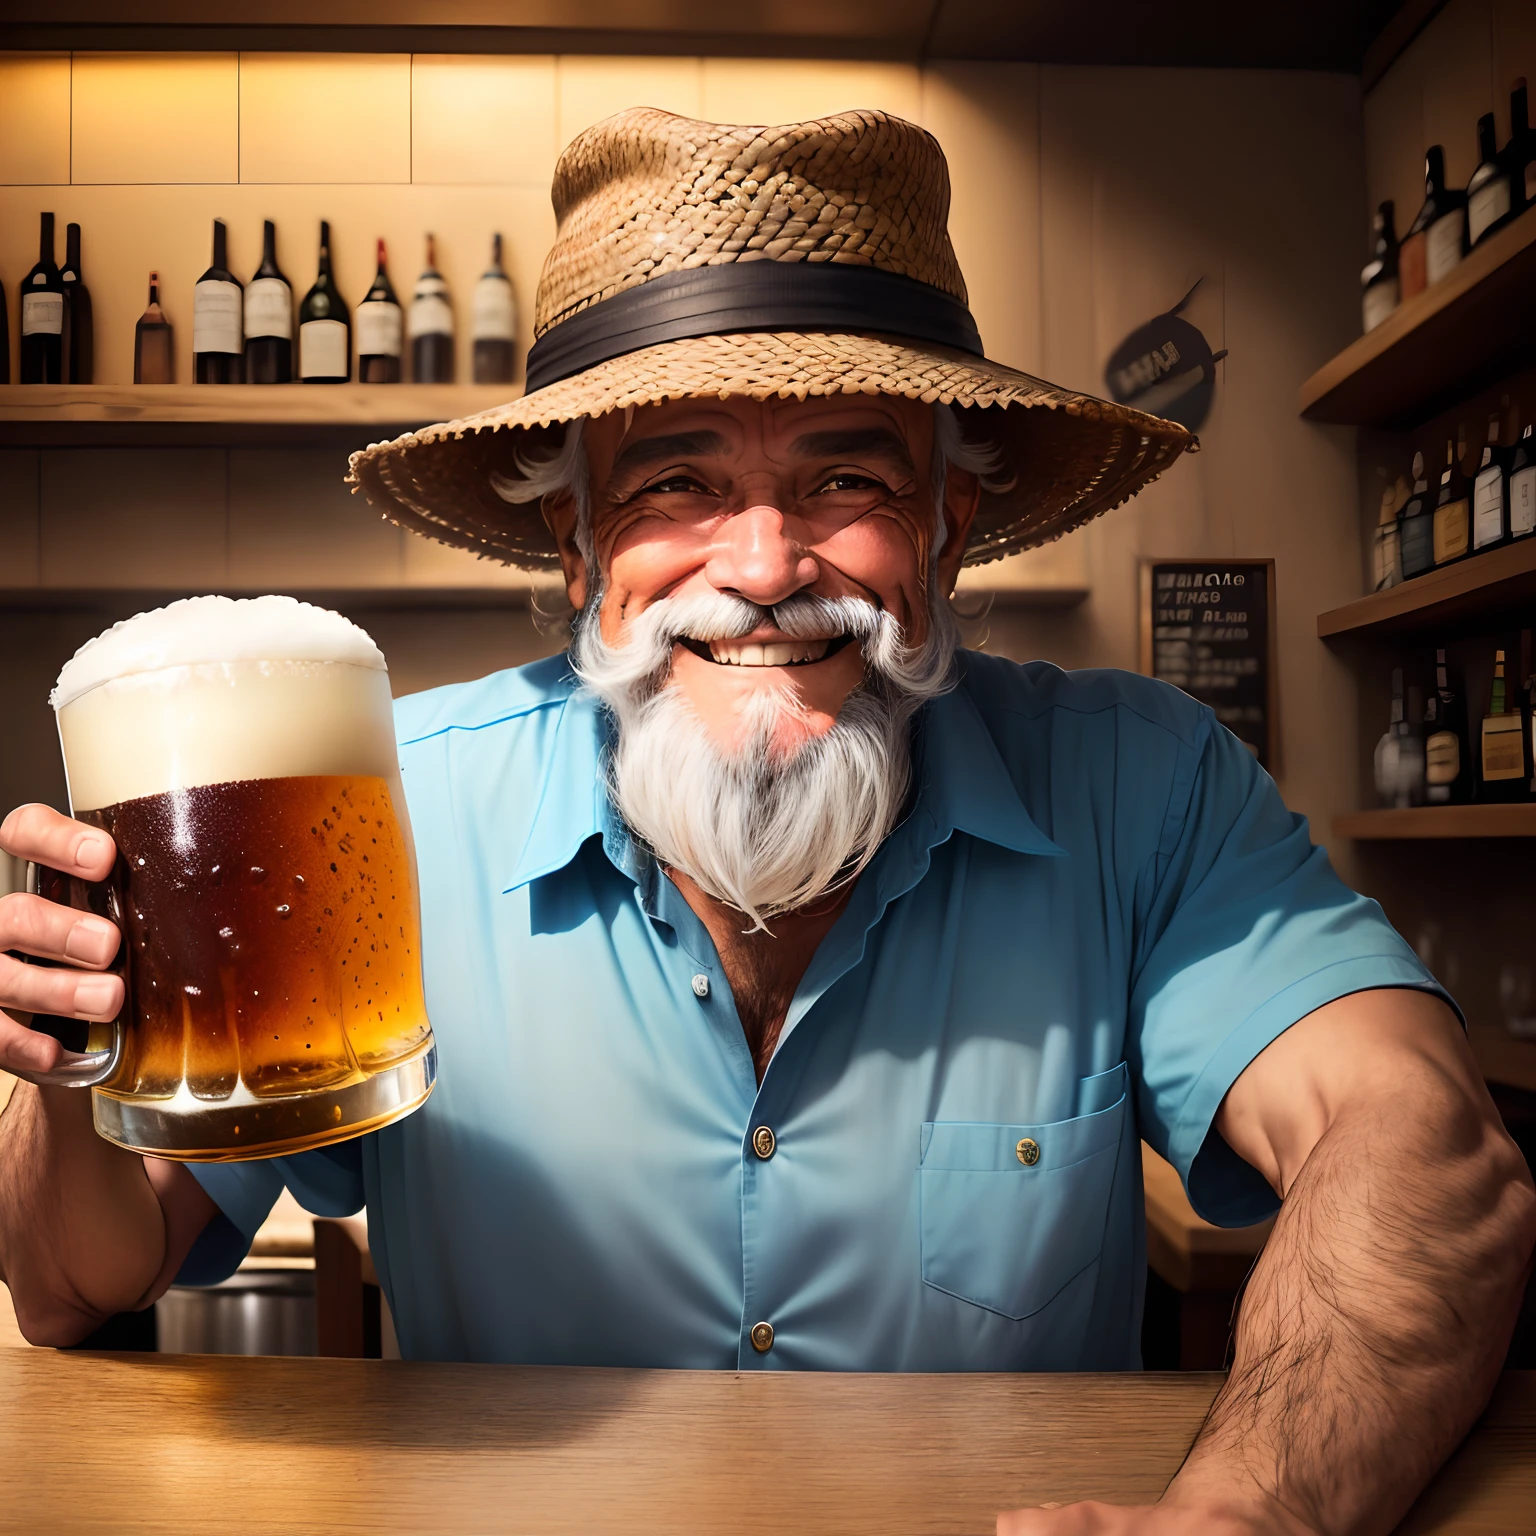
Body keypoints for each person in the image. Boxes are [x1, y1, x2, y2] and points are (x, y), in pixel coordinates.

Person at [1, 108, 1532, 1535]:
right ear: (575, 536)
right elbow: (75, 1282)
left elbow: (1420, 1148)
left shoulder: (1144, 783)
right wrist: (69, 1061)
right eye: (675, 483)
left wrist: (1243, 1514)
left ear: (952, 521)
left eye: (848, 474)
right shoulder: (378, 811)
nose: (765, 562)